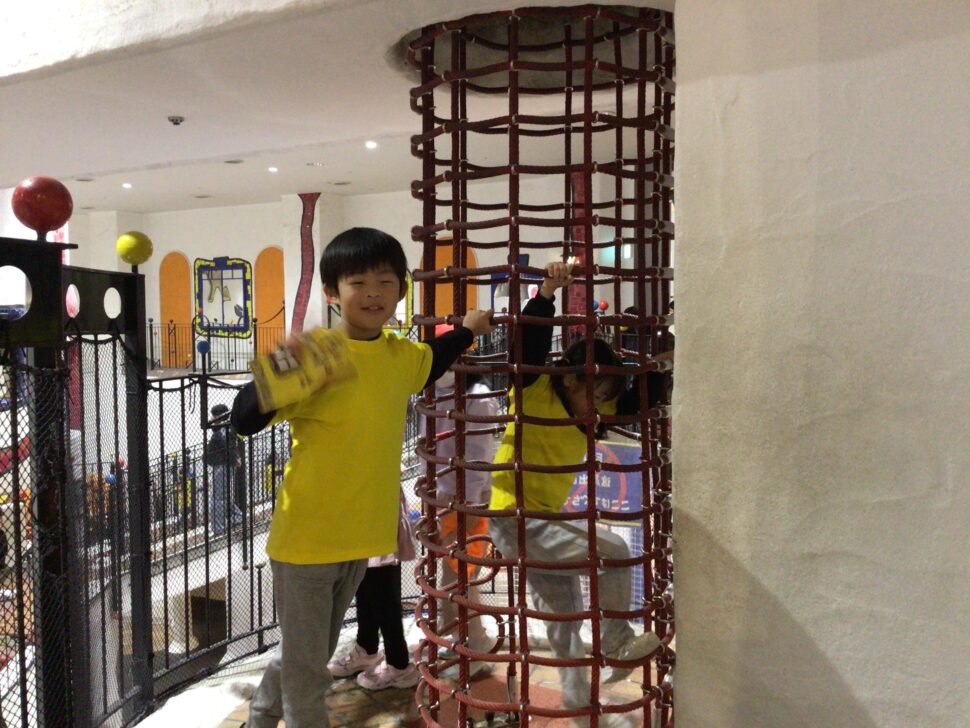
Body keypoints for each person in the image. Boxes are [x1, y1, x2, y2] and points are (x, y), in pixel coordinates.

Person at [232, 227, 495, 728]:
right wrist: (283, 366)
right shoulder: (319, 353)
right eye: (358, 282)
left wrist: (467, 330)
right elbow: (244, 418)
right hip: (307, 540)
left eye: (385, 281)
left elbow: (433, 359)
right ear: (332, 292)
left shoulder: (399, 355)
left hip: (359, 539)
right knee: (308, 672)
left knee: (304, 653)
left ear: (401, 289)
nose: (373, 293)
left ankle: (259, 720)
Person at [488, 260, 668, 727]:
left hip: (545, 520)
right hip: (513, 517)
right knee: (611, 548)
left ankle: (583, 713)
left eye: (604, 393)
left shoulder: (594, 410)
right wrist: (547, 291)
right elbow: (527, 347)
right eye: (594, 389)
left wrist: (667, 356)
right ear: (569, 377)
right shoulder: (534, 391)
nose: (598, 402)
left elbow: (640, 400)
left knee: (564, 624)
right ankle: (618, 641)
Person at [427, 325, 500, 677]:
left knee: (459, 578)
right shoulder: (436, 391)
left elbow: (479, 456)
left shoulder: (477, 396)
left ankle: (473, 649)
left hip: (466, 501)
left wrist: (469, 509)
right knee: (450, 579)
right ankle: (464, 641)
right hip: (443, 497)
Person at [327, 485, 419, 690]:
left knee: (382, 589)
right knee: (364, 583)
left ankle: (399, 665)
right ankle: (367, 648)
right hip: (364, 508)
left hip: (377, 510)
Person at [206, 403, 243, 535]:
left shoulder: (222, 430)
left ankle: (219, 528)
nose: (211, 418)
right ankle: (238, 517)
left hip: (222, 465)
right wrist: (236, 458)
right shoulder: (225, 429)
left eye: (213, 416)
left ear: (219, 417)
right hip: (223, 464)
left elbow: (227, 444)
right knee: (222, 496)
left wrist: (235, 458)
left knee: (218, 498)